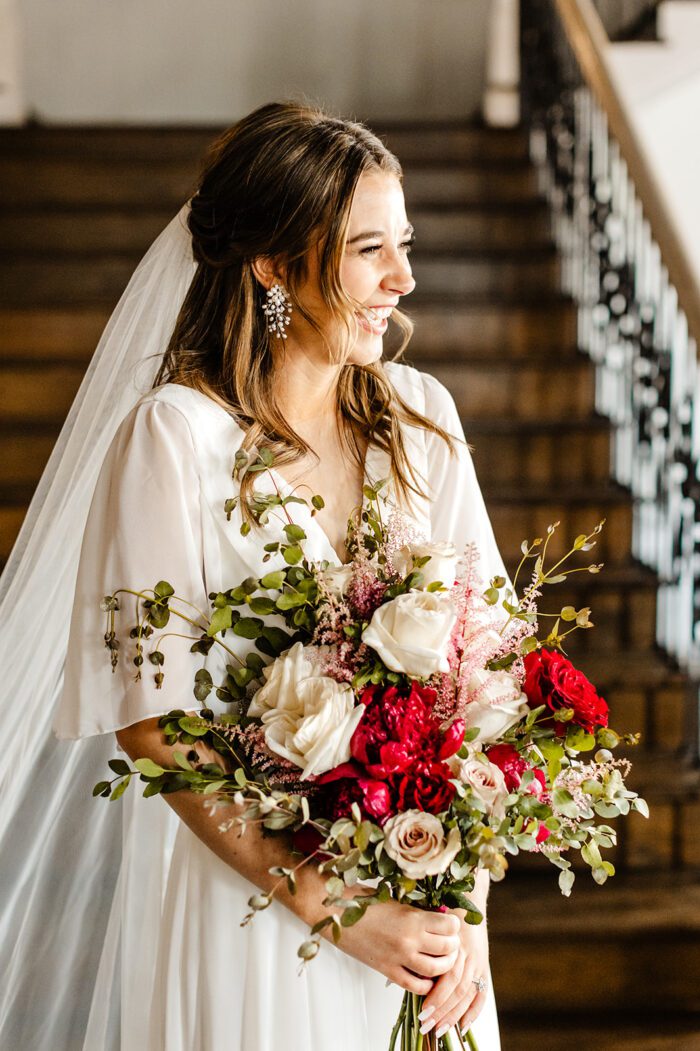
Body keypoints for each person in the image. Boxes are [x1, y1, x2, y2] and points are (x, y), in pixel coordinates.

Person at [2, 102, 506, 1050]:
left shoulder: (421, 418)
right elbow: (155, 723)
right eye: (368, 251)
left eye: (403, 243)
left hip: (427, 915)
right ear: (273, 264)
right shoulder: (175, 438)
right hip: (259, 911)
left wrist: (465, 901)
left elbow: (483, 677)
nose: (404, 278)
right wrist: (339, 910)